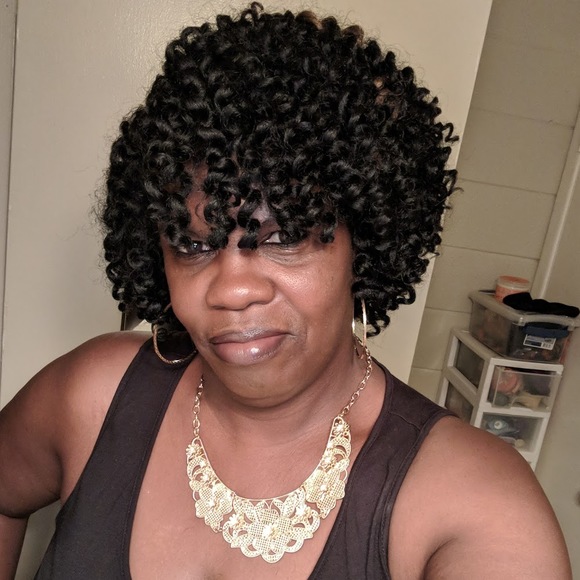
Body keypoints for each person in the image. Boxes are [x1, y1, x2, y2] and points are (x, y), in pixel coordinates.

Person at [0, 4, 572, 579]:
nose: (232, 290)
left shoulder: (472, 505)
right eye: (193, 246)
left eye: (285, 236)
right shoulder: (94, 396)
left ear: (364, 245)